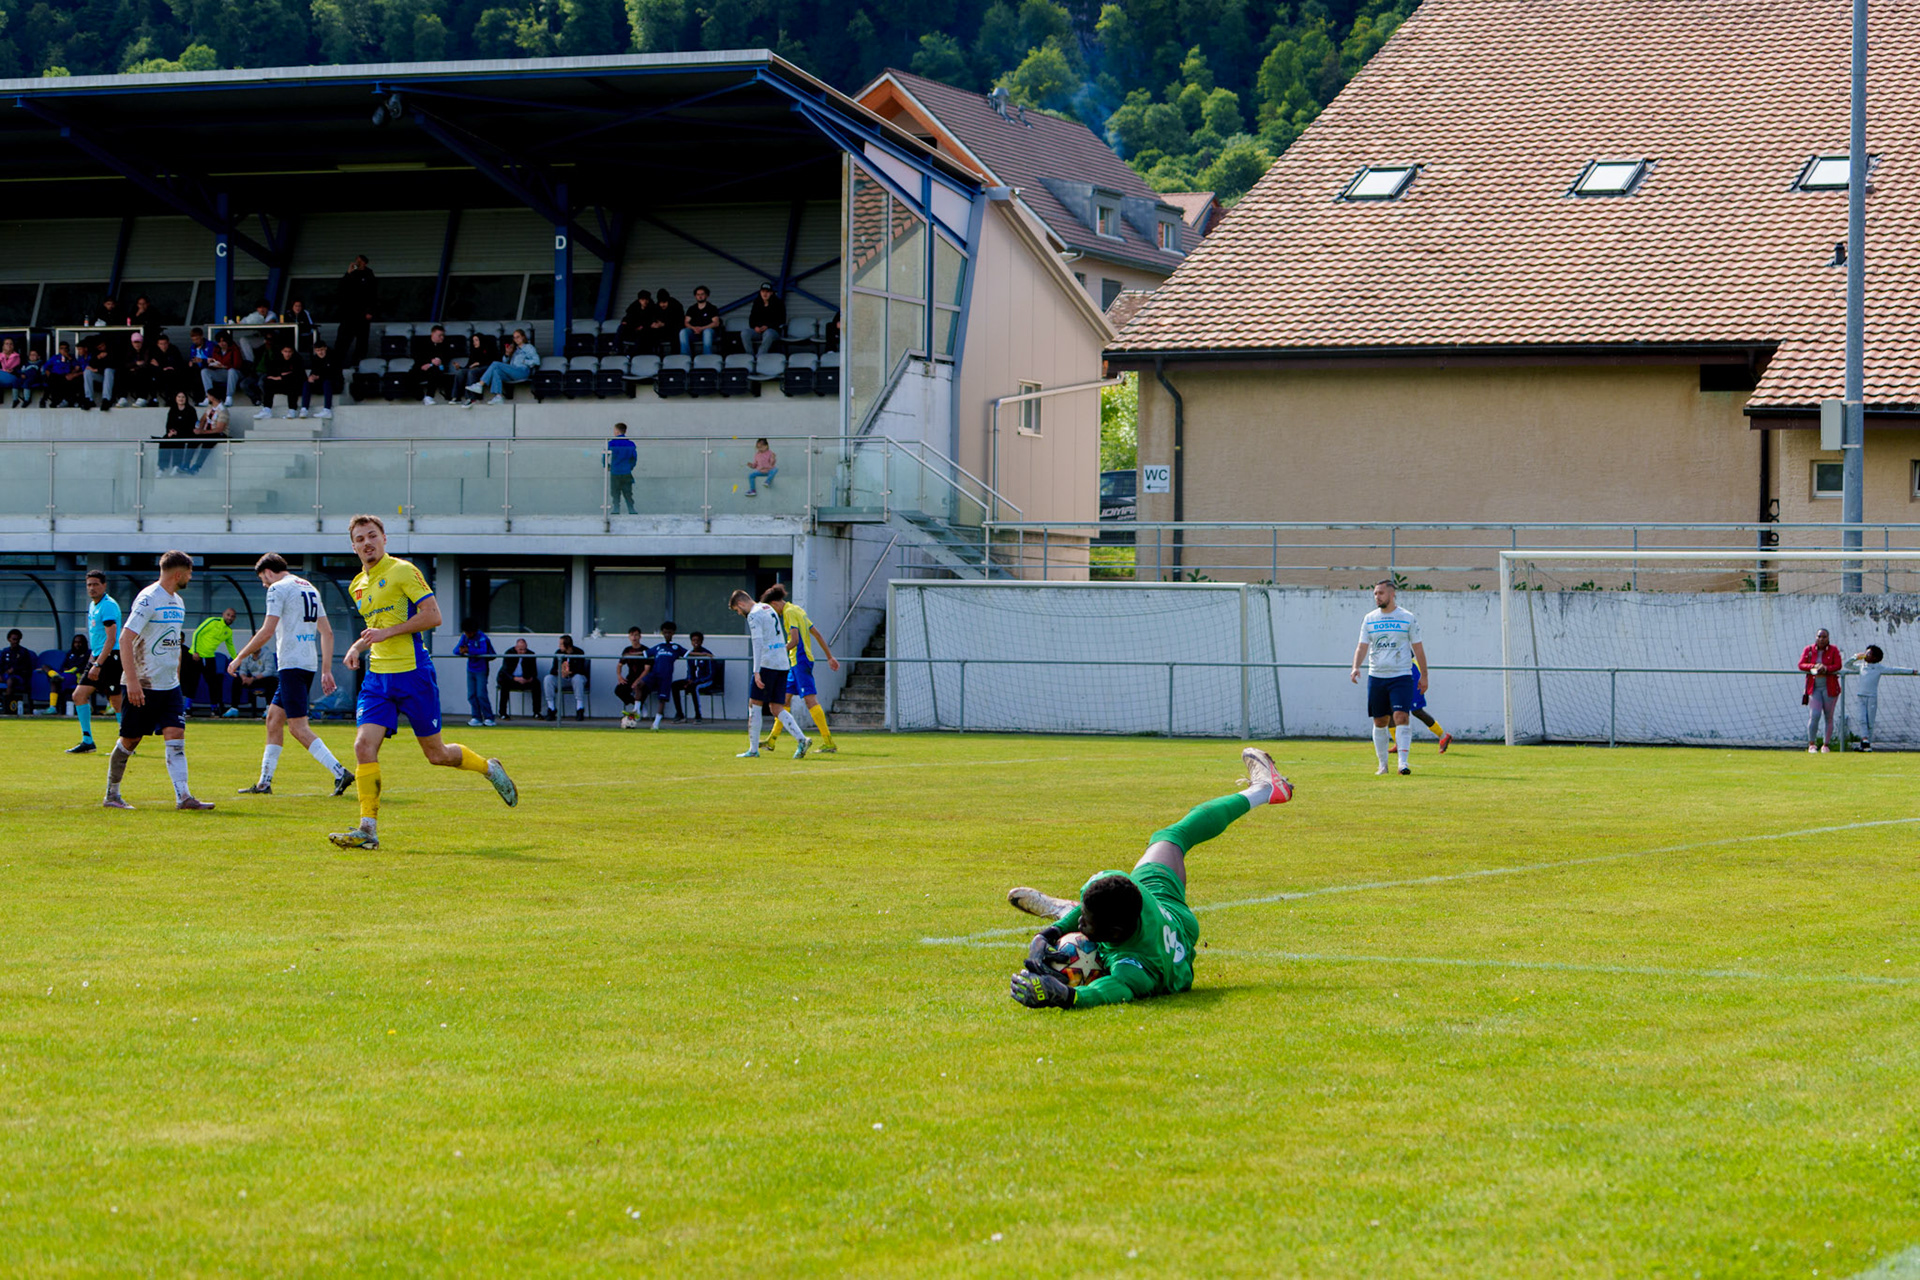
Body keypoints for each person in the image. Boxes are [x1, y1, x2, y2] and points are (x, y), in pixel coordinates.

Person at [1006, 747, 1292, 1010]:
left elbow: (1111, 989)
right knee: (1171, 837)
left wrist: (1065, 996)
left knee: (1094, 954)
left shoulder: (1134, 967)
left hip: (1163, 943)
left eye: (1086, 919)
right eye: (1083, 912)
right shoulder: (1120, 886)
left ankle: (1266, 789)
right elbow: (1104, 901)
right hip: (1167, 909)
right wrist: (1049, 934)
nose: (1081, 922)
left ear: (1116, 933)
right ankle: (1264, 790)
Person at [330, 513, 516, 850]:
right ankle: (367, 830)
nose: (367, 543)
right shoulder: (357, 585)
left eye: (372, 535)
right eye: (360, 539)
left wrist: (385, 632)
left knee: (437, 754)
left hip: (414, 674)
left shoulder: (402, 571)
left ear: (384, 538)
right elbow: (378, 626)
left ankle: (488, 768)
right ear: (353, 546)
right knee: (362, 746)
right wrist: (359, 645)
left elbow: (433, 616)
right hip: (377, 680)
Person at [230, 553, 354, 796]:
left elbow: (267, 630)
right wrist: (326, 669)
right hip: (306, 663)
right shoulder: (309, 587)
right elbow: (327, 633)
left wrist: (240, 657)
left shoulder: (277, 588)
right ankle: (264, 783)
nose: (264, 585)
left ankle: (340, 772)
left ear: (267, 572)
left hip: (291, 665)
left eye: (263, 580)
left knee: (298, 728)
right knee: (274, 720)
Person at [102, 550, 216, 811]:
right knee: (130, 740)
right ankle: (112, 795)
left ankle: (184, 797)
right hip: (143, 684)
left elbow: (174, 643)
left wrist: (176, 677)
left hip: (169, 686)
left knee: (176, 736)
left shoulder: (178, 602)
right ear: (178, 574)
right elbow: (125, 639)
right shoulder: (149, 598)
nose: (190, 577)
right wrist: (131, 682)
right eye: (189, 573)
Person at [1350, 577, 1427, 776]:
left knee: (1401, 716)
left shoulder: (1407, 617)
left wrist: (1424, 676)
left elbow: (1418, 648)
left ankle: (1403, 762)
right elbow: (1362, 646)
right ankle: (1383, 765)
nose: (1377, 597)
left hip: (1401, 676)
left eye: (1381, 593)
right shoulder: (1370, 618)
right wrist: (1355, 666)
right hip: (1376, 677)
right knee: (1380, 721)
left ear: (1392, 595)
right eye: (1375, 593)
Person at [729, 587, 809, 758]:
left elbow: (757, 643)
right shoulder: (768, 608)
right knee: (776, 707)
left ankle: (753, 749)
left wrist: (756, 671)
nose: (739, 613)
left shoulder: (753, 615)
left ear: (741, 603)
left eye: (738, 610)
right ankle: (802, 739)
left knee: (754, 704)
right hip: (782, 662)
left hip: (768, 663)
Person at [759, 585, 838, 753]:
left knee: (810, 701)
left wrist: (776, 652)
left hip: (800, 661)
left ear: (774, 603)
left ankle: (828, 742)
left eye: (771, 608)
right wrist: (829, 656)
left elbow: (794, 641)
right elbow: (816, 633)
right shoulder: (797, 610)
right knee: (784, 701)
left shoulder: (788, 613)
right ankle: (771, 740)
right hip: (797, 662)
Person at [66, 569, 123, 753]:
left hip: (111, 657)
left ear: (104, 585)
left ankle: (126, 742)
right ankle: (87, 741)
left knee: (116, 701)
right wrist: (93, 658)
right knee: (79, 695)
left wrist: (98, 664)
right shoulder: (93, 605)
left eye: (95, 584)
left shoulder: (107, 606)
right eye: (89, 585)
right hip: (98, 656)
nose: (92, 588)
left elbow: (111, 638)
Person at [1845, 645, 1915, 752]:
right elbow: (1847, 665)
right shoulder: (1862, 666)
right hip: (1861, 697)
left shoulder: (1879, 668)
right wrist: (1855, 657)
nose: (1865, 655)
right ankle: (1864, 741)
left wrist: (1911, 671)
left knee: (1870, 721)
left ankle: (1867, 743)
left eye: (1868, 654)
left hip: (1872, 697)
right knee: (1862, 719)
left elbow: (1894, 670)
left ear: (1875, 658)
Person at [1388, 660, 1453, 756]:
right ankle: (1399, 744)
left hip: (1411, 672)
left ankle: (1443, 736)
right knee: (1390, 710)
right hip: (1395, 673)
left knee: (1417, 710)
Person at [183, 606, 237, 715]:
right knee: (193, 682)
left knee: (213, 683)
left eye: (232, 616)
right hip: (197, 656)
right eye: (228, 615)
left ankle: (214, 708)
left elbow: (230, 646)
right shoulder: (212, 621)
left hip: (209, 657)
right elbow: (197, 633)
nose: (230, 618)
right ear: (223, 614)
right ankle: (187, 708)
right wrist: (195, 651)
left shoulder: (228, 631)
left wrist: (236, 659)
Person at [1799, 626, 1843, 753]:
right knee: (1815, 715)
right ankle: (1812, 744)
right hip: (1814, 688)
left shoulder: (1834, 650)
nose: (1822, 639)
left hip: (1830, 688)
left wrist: (1826, 668)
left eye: (1824, 637)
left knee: (1829, 716)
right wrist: (1814, 666)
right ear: (1816, 637)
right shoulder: (1809, 650)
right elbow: (1801, 665)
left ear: (1828, 638)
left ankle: (1826, 745)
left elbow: (1838, 665)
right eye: (1819, 636)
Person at [465, 328, 537, 405]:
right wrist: (507, 354)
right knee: (496, 371)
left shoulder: (529, 347)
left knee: (495, 363)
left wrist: (524, 361)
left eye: (518, 337)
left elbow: (536, 361)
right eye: (514, 337)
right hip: (513, 372)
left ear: (523, 337)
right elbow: (504, 362)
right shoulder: (515, 350)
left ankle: (480, 384)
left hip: (522, 371)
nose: (516, 339)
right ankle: (498, 397)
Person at [638, 621, 688, 730]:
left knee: (662, 699)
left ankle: (656, 723)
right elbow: (644, 653)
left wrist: (706, 653)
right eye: (665, 633)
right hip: (655, 673)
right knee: (639, 684)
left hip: (666, 676)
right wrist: (627, 654)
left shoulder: (676, 647)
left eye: (669, 633)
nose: (667, 635)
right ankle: (637, 710)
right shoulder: (659, 647)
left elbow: (690, 653)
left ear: (673, 633)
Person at [335, 256, 378, 368]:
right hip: (349, 314)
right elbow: (341, 288)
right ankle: (338, 363)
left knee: (362, 341)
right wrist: (348, 273)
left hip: (362, 315)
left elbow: (373, 295)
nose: (357, 262)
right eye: (356, 260)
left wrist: (370, 311)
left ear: (364, 262)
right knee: (343, 339)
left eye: (360, 260)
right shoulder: (351, 274)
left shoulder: (369, 274)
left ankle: (358, 363)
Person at [453, 620, 497, 727]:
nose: (468, 635)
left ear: (474, 631)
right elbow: (455, 650)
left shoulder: (482, 637)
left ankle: (489, 718)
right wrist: (461, 651)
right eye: (466, 632)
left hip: (481, 669)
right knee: (471, 695)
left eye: (469, 632)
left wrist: (469, 649)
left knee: (481, 694)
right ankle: (476, 717)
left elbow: (483, 650)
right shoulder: (465, 637)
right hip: (470, 669)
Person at [543, 635, 589, 720]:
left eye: (561, 644)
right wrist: (561, 672)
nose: (559, 646)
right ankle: (551, 708)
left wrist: (569, 672)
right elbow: (552, 670)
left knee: (578, 678)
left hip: (575, 678)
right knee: (548, 679)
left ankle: (580, 708)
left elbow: (580, 669)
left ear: (567, 645)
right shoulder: (558, 653)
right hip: (562, 678)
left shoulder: (579, 652)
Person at [495, 637, 541, 720]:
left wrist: (529, 679)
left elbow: (534, 672)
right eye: (520, 650)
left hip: (525, 679)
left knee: (537, 684)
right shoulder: (509, 653)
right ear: (516, 648)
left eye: (524, 650)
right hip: (511, 679)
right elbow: (505, 671)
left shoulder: (531, 654)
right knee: (504, 685)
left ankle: (537, 712)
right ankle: (503, 713)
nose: (522, 652)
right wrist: (515, 678)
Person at [229, 644, 279, 715]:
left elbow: (269, 671)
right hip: (252, 678)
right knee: (237, 680)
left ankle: (269, 708)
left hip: (265, 678)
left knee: (271, 681)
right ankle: (234, 708)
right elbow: (243, 669)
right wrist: (244, 678)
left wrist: (253, 679)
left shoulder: (267, 654)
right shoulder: (246, 655)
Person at [615, 627, 649, 728]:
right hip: (630, 677)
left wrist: (637, 681)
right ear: (629, 637)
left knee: (643, 687)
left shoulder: (645, 650)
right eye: (632, 635)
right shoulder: (627, 650)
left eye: (636, 635)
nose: (634, 637)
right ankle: (638, 705)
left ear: (640, 636)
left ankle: (638, 708)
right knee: (619, 690)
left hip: (643, 678)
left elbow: (647, 669)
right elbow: (619, 665)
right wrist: (619, 677)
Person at [260, 341, 305, 419]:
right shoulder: (277, 360)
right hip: (282, 384)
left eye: (289, 352)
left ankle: (292, 410)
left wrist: (282, 377)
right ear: (281, 352)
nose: (287, 354)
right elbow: (271, 374)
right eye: (285, 351)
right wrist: (285, 376)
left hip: (295, 386)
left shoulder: (297, 360)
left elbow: (299, 375)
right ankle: (267, 410)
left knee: (292, 383)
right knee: (268, 382)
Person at [415, 323, 458, 404]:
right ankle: (421, 396)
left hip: (437, 369)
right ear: (433, 334)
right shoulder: (422, 344)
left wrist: (438, 361)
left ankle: (430, 396)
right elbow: (418, 357)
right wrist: (429, 362)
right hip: (421, 369)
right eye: (439, 335)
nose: (442, 337)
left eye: (443, 335)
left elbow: (446, 356)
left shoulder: (445, 345)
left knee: (435, 371)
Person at [300, 337, 340, 419]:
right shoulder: (315, 358)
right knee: (307, 383)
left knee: (327, 382)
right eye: (318, 350)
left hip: (334, 384)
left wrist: (319, 376)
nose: (320, 352)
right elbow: (314, 371)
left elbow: (334, 373)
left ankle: (327, 410)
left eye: (321, 350)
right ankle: (304, 409)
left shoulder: (333, 357)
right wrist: (311, 377)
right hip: (320, 383)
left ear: (325, 348)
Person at [680, 632, 716, 722]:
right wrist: (689, 680)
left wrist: (696, 681)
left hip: (705, 681)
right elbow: (690, 670)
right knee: (675, 685)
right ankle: (679, 714)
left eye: (698, 640)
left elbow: (711, 674)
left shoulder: (707, 654)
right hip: (693, 681)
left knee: (694, 687)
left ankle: (698, 716)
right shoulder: (690, 654)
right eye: (693, 640)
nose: (695, 642)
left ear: (701, 641)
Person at [202, 332, 244, 404]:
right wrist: (211, 363)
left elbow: (237, 365)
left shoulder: (234, 348)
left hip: (235, 373)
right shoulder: (216, 349)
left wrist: (224, 366)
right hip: (221, 372)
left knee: (231, 371)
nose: (222, 343)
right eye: (219, 341)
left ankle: (229, 397)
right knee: (204, 371)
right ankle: (209, 397)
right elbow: (214, 362)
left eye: (223, 341)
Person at [747, 282, 786, 359]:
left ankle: (759, 357)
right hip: (758, 331)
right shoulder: (757, 303)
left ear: (771, 293)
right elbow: (751, 319)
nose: (765, 294)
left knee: (768, 333)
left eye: (767, 292)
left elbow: (781, 320)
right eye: (763, 291)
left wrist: (768, 326)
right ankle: (750, 356)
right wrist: (755, 327)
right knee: (745, 333)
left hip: (772, 331)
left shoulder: (778, 303)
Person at [678, 285, 720, 356]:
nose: (700, 296)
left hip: (708, 332)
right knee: (683, 332)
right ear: (695, 296)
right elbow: (686, 322)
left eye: (702, 294)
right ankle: (685, 357)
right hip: (694, 332)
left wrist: (702, 328)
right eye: (698, 294)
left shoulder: (712, 308)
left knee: (707, 332)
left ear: (707, 295)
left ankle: (706, 357)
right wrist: (693, 328)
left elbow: (716, 323)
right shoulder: (692, 309)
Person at [0, 628, 34, 715]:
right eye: (13, 639)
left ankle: (7, 707)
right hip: (5, 675)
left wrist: (15, 670)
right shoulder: (5, 652)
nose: (15, 642)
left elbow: (27, 667)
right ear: (9, 639)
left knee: (10, 681)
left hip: (18, 677)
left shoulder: (23, 652)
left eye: (17, 639)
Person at [607, 422, 638, 515]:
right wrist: (630, 467)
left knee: (615, 492)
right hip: (626, 471)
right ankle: (631, 509)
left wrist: (607, 466)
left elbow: (604, 456)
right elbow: (634, 458)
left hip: (615, 471)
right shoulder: (631, 444)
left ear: (616, 431)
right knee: (628, 492)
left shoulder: (611, 443)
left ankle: (616, 509)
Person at [235, 299, 279, 363]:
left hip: (272, 338)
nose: (262, 309)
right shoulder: (254, 315)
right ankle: (250, 362)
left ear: (267, 308)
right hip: (260, 337)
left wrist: (258, 322)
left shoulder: (271, 314)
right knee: (243, 340)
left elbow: (271, 322)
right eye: (260, 307)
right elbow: (242, 322)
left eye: (264, 307)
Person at [82, 337, 119, 412]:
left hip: (113, 377)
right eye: (99, 347)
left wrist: (98, 369)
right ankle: (89, 399)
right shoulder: (96, 353)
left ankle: (106, 399)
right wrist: (98, 357)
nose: (101, 348)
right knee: (87, 372)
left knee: (108, 371)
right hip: (101, 377)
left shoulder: (113, 350)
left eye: (102, 346)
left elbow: (114, 364)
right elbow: (91, 364)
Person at [42, 341, 82, 408]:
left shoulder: (71, 357)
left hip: (66, 376)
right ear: (59, 349)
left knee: (66, 382)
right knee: (53, 380)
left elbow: (77, 367)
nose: (64, 350)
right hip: (56, 376)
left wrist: (69, 359)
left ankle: (65, 401)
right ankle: (51, 401)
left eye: (65, 348)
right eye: (62, 348)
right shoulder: (55, 357)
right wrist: (48, 374)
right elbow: (46, 367)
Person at [0, 337, 25, 402]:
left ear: (13, 346)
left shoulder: (18, 357)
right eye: (7, 344)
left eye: (11, 344)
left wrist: (13, 371)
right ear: (3, 346)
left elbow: (22, 369)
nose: (9, 345)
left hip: (13, 377)